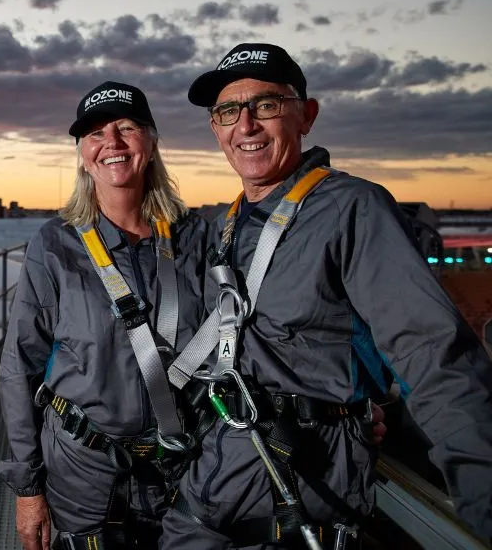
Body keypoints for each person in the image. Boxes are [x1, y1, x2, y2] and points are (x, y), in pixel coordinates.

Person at [160, 42, 492, 549]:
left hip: (301, 479)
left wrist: (483, 492)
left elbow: (431, 351)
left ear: (306, 116)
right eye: (228, 111)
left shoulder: (351, 208)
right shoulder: (229, 223)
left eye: (266, 105)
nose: (246, 125)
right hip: (218, 471)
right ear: (215, 128)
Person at [0, 81, 212, 549]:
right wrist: (27, 487)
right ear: (82, 153)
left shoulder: (194, 239)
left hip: (182, 467)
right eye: (95, 133)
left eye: (127, 128)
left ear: (151, 141)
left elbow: (248, 328)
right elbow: (19, 364)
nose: (111, 142)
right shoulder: (55, 245)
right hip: (84, 470)